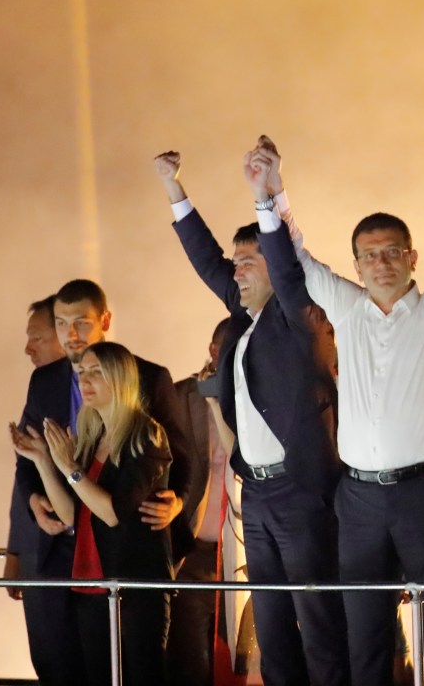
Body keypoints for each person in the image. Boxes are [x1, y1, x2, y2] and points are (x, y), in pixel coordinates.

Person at [249, 131, 424, 685]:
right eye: (370, 255)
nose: (382, 263)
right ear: (358, 263)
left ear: (412, 257)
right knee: (362, 627)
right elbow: (294, 256)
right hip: (360, 494)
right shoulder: (344, 305)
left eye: (392, 253)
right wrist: (270, 193)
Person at [154, 141, 349, 686]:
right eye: (236, 263)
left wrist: (266, 197)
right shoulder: (244, 317)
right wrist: (174, 188)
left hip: (300, 490)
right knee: (271, 624)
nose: (235, 272)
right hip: (257, 493)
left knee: (320, 621)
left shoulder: (299, 318)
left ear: (275, 267)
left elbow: (287, 270)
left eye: (249, 262)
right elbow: (205, 261)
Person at [12, 279, 194, 686]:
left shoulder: (145, 419)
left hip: (131, 569)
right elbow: (72, 507)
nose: (70, 335)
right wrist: (44, 462)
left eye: (80, 323)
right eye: (60, 323)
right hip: (84, 569)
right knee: (81, 667)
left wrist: (178, 503)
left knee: (141, 671)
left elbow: (176, 464)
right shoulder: (81, 422)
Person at [167, 318, 232, 686]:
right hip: (191, 552)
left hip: (245, 555)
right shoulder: (178, 397)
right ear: (213, 351)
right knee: (190, 661)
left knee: (243, 658)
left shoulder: (266, 395)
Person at [5, 295, 66, 602]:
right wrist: (15, 551)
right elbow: (24, 471)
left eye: (38, 339)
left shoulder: (114, 384)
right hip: (39, 550)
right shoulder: (41, 388)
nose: (28, 349)